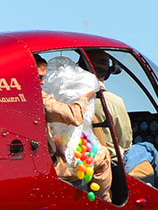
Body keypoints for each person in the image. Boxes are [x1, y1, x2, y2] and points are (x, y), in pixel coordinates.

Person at [83, 49, 158, 197]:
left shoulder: (71, 101)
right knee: (148, 148)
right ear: (107, 73)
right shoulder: (113, 102)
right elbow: (125, 142)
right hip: (112, 164)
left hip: (85, 161)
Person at [36, 55, 112, 202]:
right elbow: (75, 116)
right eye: (39, 78)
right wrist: (87, 94)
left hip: (38, 156)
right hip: (48, 164)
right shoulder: (38, 97)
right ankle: (104, 206)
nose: (44, 82)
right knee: (103, 157)